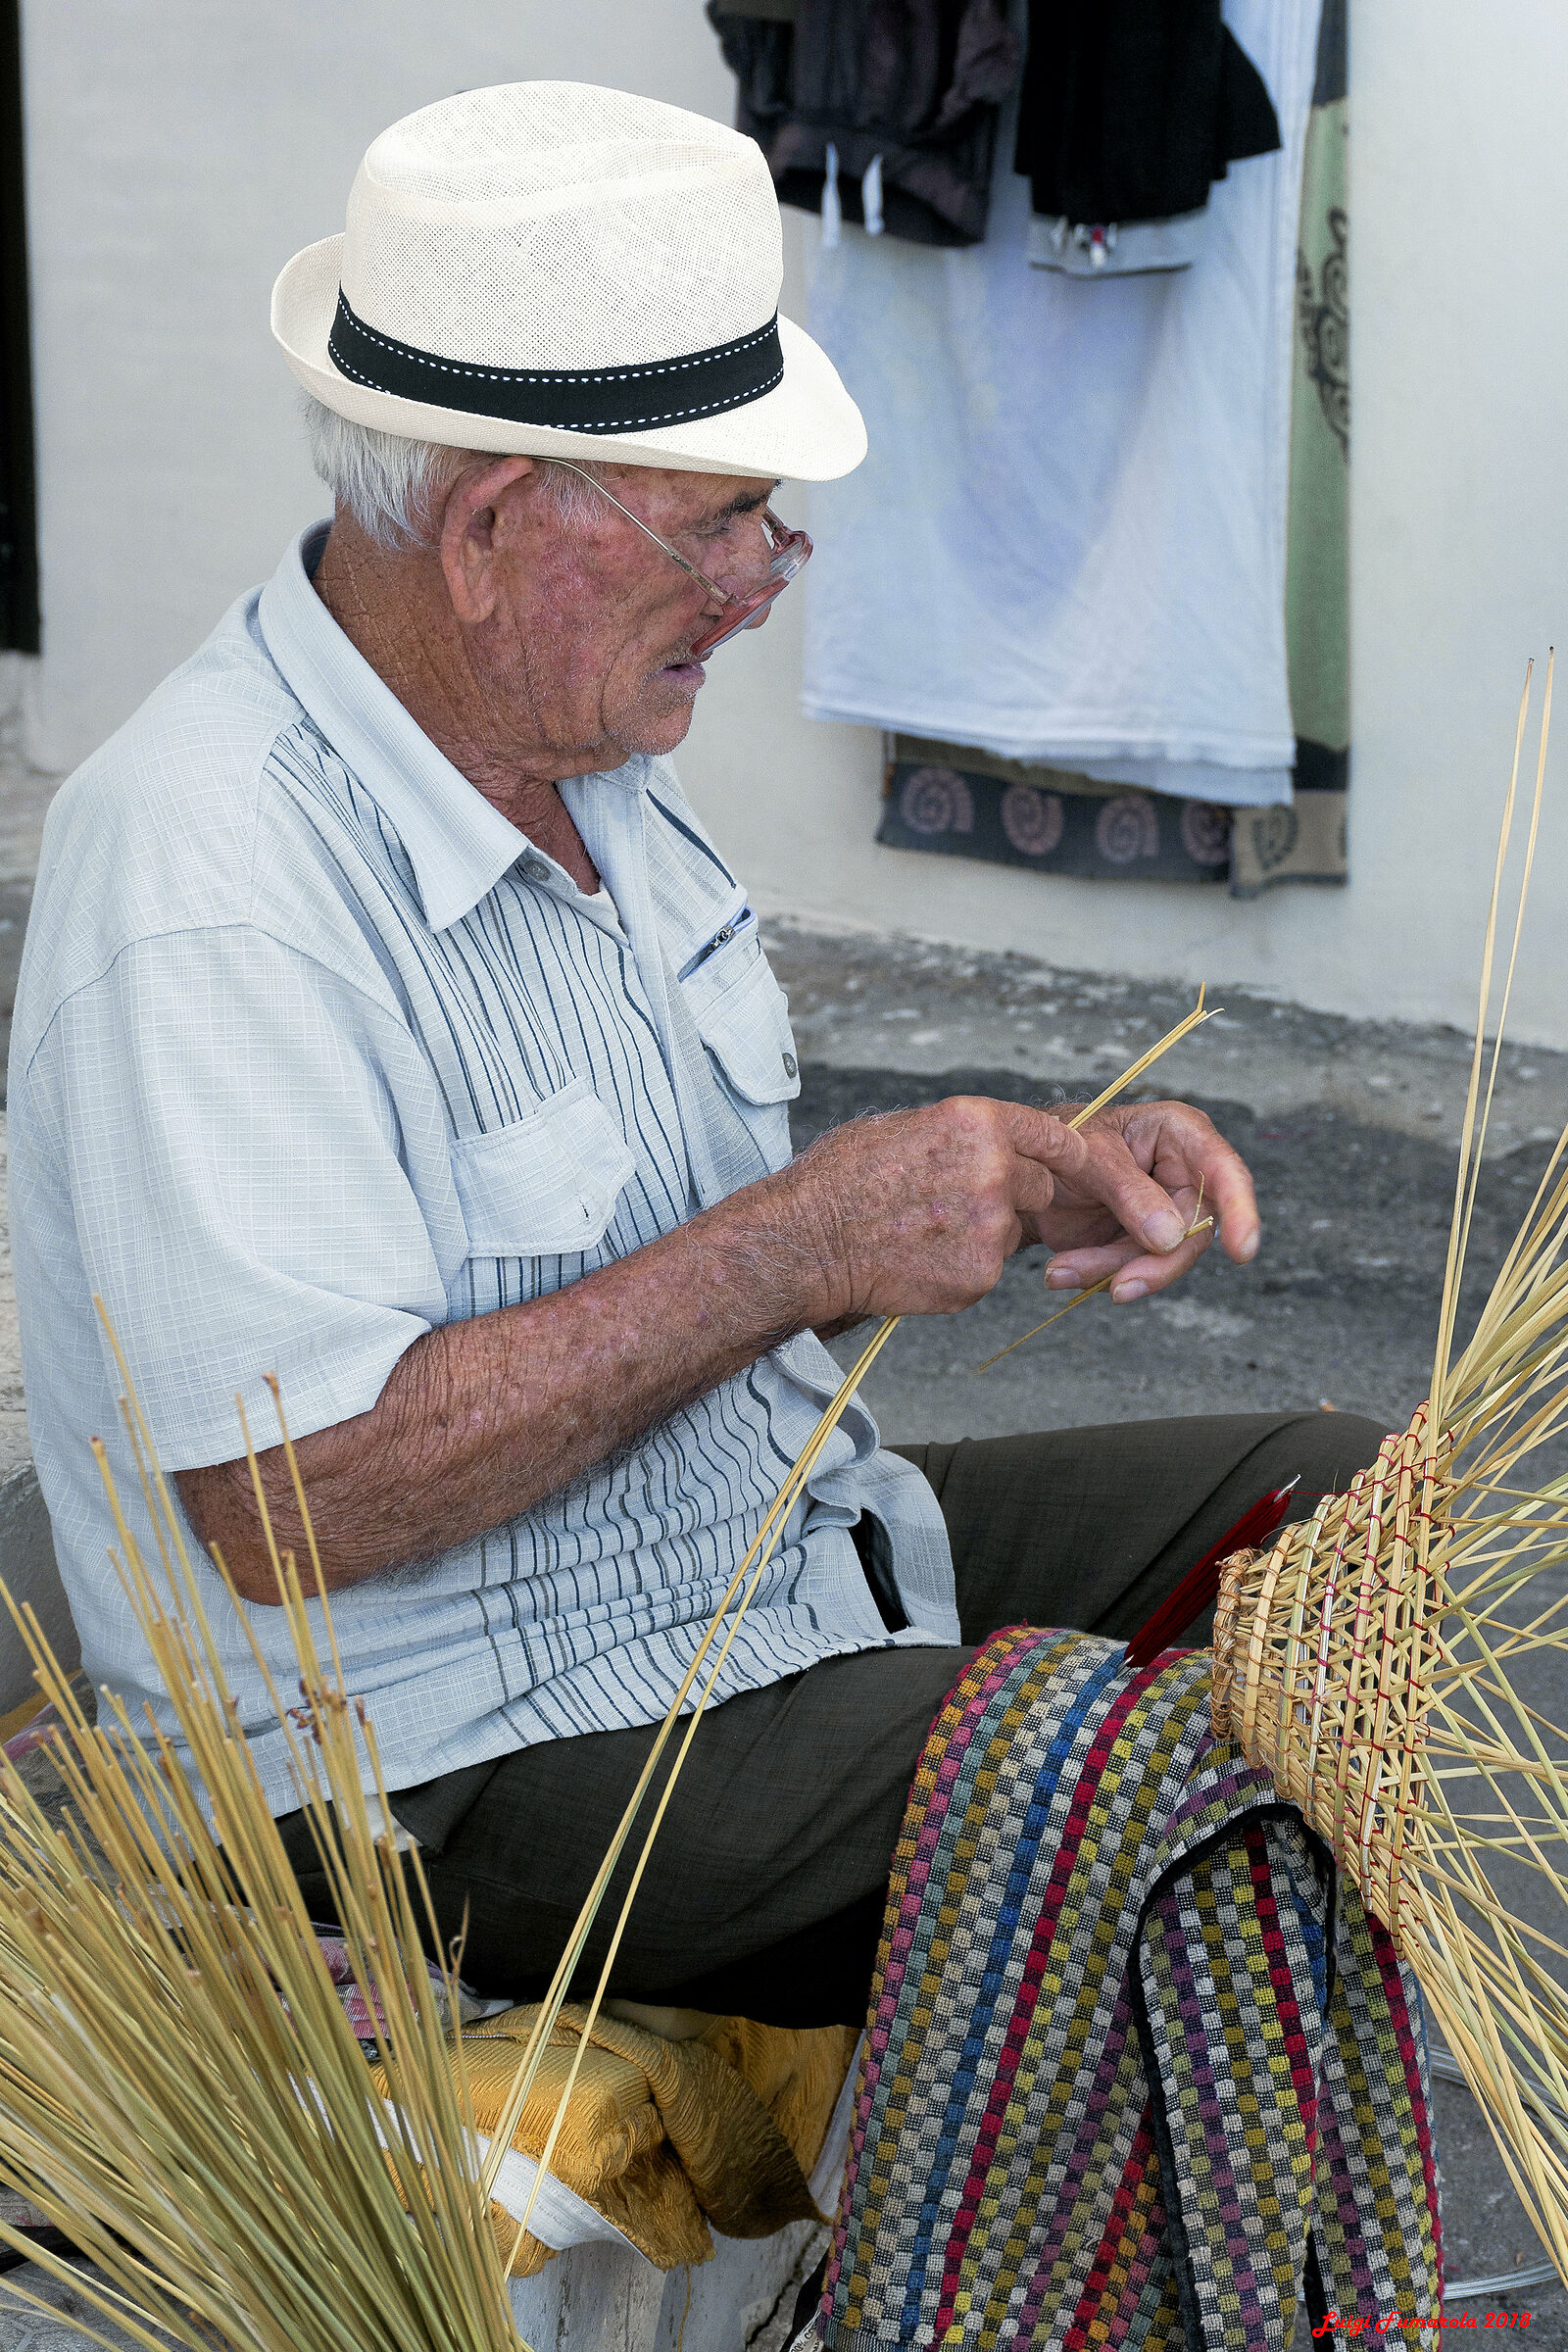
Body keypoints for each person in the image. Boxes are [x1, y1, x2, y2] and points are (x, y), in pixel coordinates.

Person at [10, 83, 1383, 2028]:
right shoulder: (211, 871)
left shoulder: (588, 761)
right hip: (431, 1760)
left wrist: (988, 1182)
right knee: (1155, 1802)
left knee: (1349, 1519)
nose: (764, 578)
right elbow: (293, 1508)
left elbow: (666, 1260)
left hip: (765, 1586)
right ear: (493, 530)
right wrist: (798, 1243)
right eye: (723, 517)